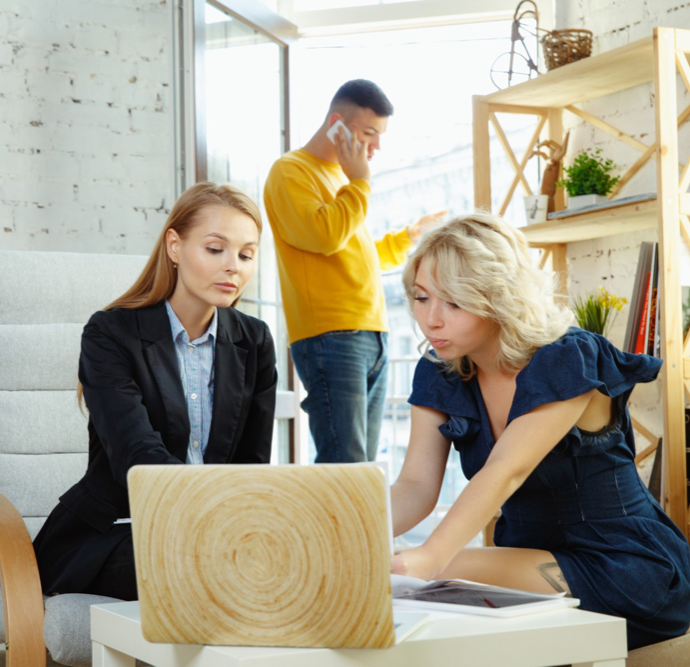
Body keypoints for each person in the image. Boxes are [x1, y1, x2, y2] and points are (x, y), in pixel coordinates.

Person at [389, 213, 690, 649]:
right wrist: (341, 536)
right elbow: (415, 487)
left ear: (498, 297)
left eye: (454, 303)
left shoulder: (566, 358)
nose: (431, 319)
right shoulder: (442, 369)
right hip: (529, 557)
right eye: (421, 298)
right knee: (401, 580)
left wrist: (425, 558)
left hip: (626, 566)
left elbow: (506, 471)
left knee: (435, 573)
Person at [33, 182, 277, 601]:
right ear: (175, 246)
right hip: (110, 535)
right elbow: (137, 456)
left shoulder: (253, 341)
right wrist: (211, 529)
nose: (233, 266)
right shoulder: (109, 333)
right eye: (215, 249)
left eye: (246, 254)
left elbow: (249, 467)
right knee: (209, 566)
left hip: (213, 539)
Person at [264, 78, 445, 463]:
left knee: (360, 464)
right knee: (344, 464)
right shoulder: (291, 171)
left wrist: (407, 238)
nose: (375, 146)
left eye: (379, 136)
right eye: (368, 133)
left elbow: (355, 254)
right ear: (337, 124)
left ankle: (358, 527)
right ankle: (327, 527)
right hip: (331, 334)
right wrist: (360, 182)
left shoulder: (342, 181)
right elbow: (325, 235)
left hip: (370, 332)